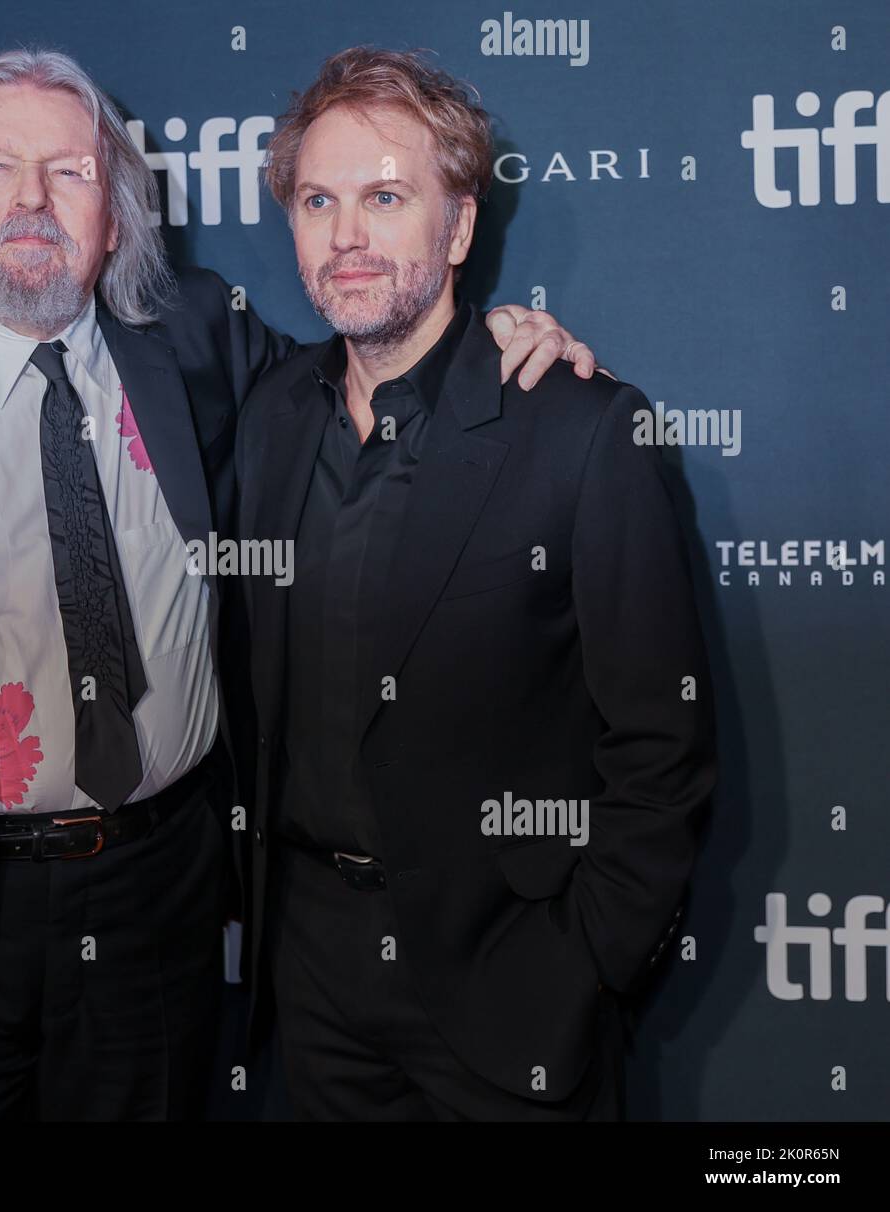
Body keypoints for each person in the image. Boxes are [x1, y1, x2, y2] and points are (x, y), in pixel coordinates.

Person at [0, 46, 600, 1121]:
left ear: (114, 218)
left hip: (159, 902)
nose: (31, 199)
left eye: (69, 173)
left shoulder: (198, 338)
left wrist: (490, 334)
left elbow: (369, 367)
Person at [236, 46, 717, 1120]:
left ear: (457, 229)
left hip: (510, 987)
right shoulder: (267, 422)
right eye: (318, 200)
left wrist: (584, 961)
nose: (346, 234)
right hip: (308, 985)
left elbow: (660, 742)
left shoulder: (581, 433)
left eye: (386, 197)